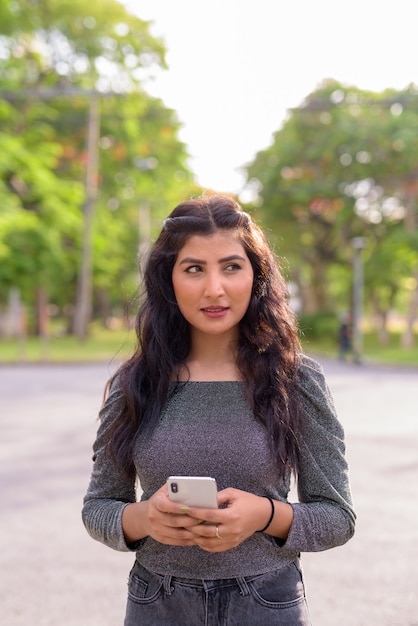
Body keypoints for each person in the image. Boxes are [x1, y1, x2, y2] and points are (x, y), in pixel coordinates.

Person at [82, 193, 355, 626]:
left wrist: (264, 515)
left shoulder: (296, 379)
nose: (215, 288)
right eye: (194, 269)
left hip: (266, 602)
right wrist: (144, 518)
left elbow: (337, 517)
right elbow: (98, 507)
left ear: (255, 275)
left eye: (231, 266)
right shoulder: (137, 383)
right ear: (168, 280)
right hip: (157, 604)